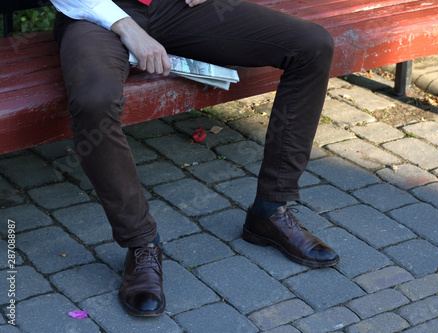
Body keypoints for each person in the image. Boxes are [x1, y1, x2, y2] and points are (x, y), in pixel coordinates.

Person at [49, 0, 339, 317]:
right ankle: (141, 243)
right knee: (94, 101)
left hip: (175, 8)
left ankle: (270, 211)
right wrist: (125, 25)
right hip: (96, 15)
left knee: (312, 45)